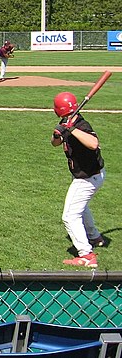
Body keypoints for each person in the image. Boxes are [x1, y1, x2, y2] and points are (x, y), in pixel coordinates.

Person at [51, 91, 107, 268]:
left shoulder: (81, 124)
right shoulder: (67, 122)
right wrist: (57, 134)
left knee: (69, 216)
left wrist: (72, 129)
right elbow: (55, 143)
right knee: (80, 208)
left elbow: (93, 143)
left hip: (88, 178)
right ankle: (95, 236)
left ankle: (86, 255)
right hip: (88, 176)